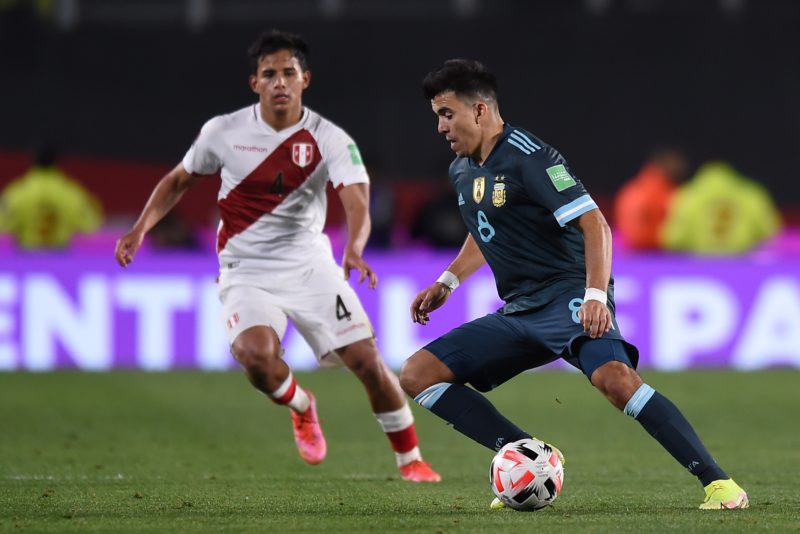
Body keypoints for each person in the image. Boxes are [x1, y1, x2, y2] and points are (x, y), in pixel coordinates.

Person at [398, 59, 747, 509]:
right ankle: (534, 458)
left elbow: (594, 222)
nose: (441, 127)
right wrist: (448, 281)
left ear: (480, 110)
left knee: (616, 380)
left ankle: (720, 485)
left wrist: (595, 295)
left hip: (567, 295)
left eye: (447, 114)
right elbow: (487, 231)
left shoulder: (529, 156)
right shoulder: (462, 169)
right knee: (417, 374)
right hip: (519, 309)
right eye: (437, 117)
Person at [114, 30, 440, 482]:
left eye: (289, 72)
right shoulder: (222, 132)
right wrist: (139, 228)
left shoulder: (329, 138)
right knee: (255, 357)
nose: (280, 81)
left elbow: (357, 198)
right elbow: (177, 181)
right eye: (269, 74)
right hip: (245, 271)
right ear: (255, 83)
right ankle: (302, 406)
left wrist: (356, 245)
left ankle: (411, 460)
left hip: (310, 268)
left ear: (305, 78)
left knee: (367, 361)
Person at [661, 161, 781, 254]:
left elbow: (673, 239)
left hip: (700, 270)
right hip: (742, 269)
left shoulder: (688, 195)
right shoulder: (752, 194)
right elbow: (771, 233)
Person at [0, 145, 103, 248]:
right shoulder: (70, 193)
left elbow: (2, 224)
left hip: (27, 257)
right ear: (56, 162)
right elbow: (91, 224)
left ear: (33, 161)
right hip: (59, 259)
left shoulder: (18, 193)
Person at [613, 146, 688, 250]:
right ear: (662, 163)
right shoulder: (666, 194)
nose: (680, 165)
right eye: (674, 161)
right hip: (651, 254)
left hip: (631, 251)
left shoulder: (630, 189)